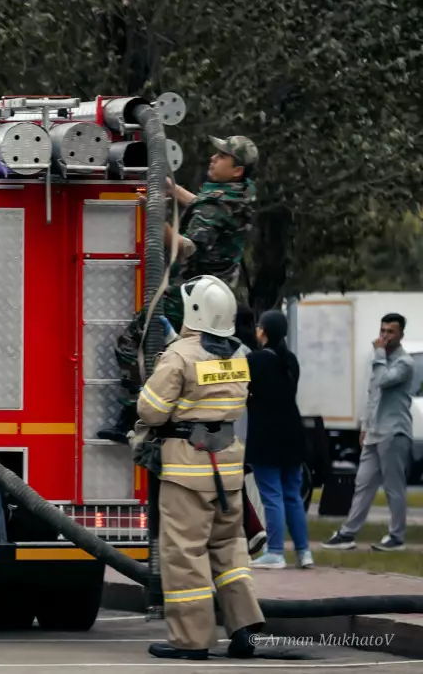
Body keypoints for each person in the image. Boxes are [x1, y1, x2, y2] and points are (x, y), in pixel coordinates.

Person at [134, 275, 264, 660]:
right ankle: (244, 629)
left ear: (194, 310)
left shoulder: (180, 355)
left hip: (187, 471)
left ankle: (190, 640)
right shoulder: (239, 355)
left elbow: (151, 411)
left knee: (185, 553)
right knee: (229, 547)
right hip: (228, 470)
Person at [99, 135, 259, 443]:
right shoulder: (241, 194)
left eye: (221, 156)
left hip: (193, 295)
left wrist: (155, 215)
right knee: (172, 350)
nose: (213, 158)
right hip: (217, 295)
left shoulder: (215, 208)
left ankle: (135, 413)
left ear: (237, 169)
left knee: (132, 341)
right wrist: (177, 191)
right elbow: (206, 207)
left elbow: (187, 248)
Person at [323, 313, 416, 552]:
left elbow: (384, 381)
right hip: (375, 432)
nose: (384, 336)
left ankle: (396, 536)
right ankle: (348, 533)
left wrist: (378, 354)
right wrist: (364, 427)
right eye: (383, 330)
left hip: (394, 432)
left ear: (401, 334)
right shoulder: (379, 360)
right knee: (362, 484)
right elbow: (372, 396)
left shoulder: (404, 363)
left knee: (394, 487)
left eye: (390, 332)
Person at [244, 310, 313, 569]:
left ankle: (275, 552)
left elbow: (241, 390)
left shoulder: (254, 360)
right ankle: (304, 552)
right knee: (292, 495)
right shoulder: (290, 361)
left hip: (266, 436)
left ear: (263, 331)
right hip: (293, 435)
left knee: (271, 495)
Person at [233, 305, 270, 557]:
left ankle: (251, 530)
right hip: (247, 425)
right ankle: (255, 529)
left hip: (232, 426)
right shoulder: (250, 352)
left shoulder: (234, 352)